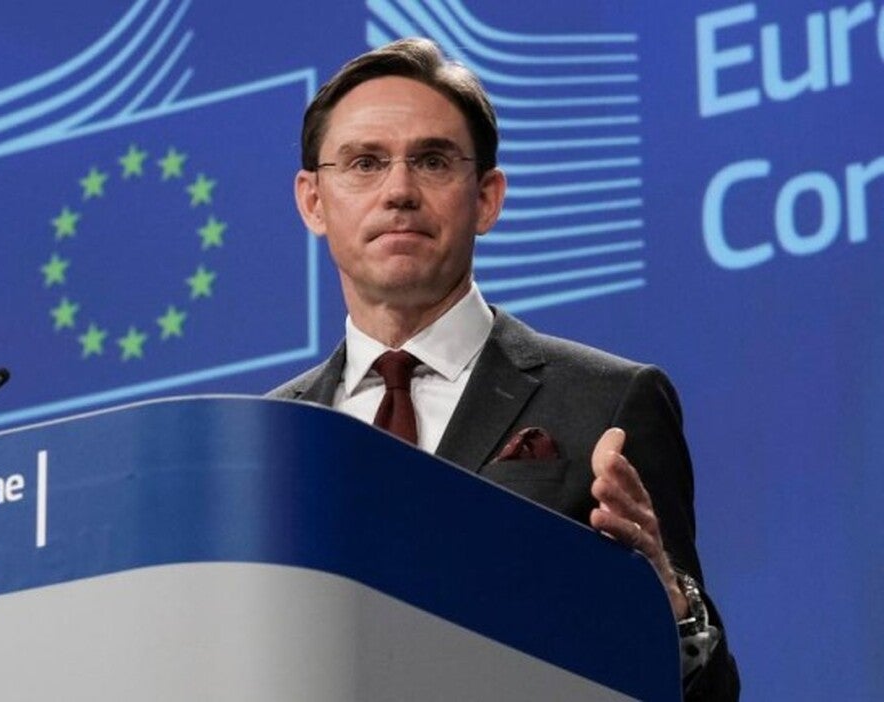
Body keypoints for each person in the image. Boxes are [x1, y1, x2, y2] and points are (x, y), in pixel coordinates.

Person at [269, 37, 739, 700]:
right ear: (313, 201)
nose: (398, 191)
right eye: (364, 163)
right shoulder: (270, 440)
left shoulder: (608, 402)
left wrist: (672, 616)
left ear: (487, 197)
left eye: (433, 161)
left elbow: (709, 692)